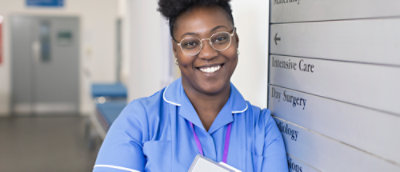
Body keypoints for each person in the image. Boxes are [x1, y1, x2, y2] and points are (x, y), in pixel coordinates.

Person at [93, 0, 288, 171]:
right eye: (190, 43)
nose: (208, 53)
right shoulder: (140, 120)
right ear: (175, 51)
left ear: (235, 41)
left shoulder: (262, 129)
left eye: (220, 38)